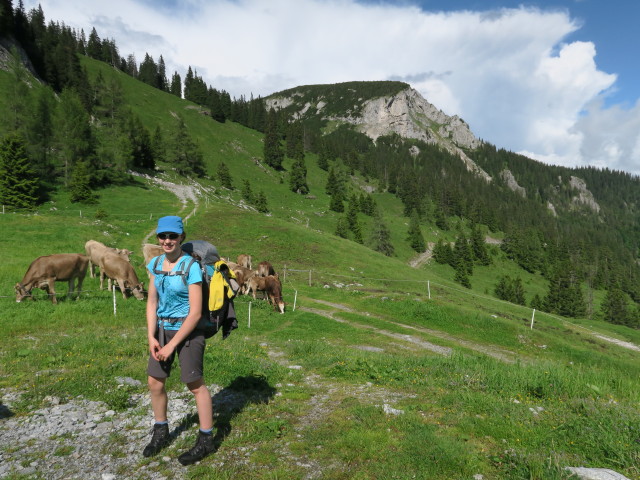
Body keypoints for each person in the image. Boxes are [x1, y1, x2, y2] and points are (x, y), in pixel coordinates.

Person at [143, 215, 215, 465]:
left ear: (181, 238)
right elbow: (152, 301)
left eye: (173, 236)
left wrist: (172, 344)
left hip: (187, 331)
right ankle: (160, 431)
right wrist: (152, 336)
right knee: (155, 382)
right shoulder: (155, 264)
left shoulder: (191, 266)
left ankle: (206, 440)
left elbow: (195, 312)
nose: (167, 240)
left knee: (194, 383)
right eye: (163, 236)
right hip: (162, 329)